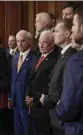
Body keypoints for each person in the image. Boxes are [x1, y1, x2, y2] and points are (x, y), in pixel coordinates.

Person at [39, 19, 77, 135]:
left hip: (61, 117)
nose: (53, 34)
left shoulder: (71, 55)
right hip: (55, 116)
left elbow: (64, 87)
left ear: (67, 34)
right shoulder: (63, 54)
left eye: (56, 31)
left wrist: (45, 99)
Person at [26, 30, 60, 135]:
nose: (40, 45)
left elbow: (49, 84)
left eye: (44, 42)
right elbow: (31, 79)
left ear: (52, 43)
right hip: (34, 106)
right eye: (40, 42)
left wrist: (35, 99)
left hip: (44, 107)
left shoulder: (55, 59)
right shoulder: (40, 56)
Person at [56, 4, 83, 135]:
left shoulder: (77, 60)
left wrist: (58, 108)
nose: (72, 29)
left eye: (73, 24)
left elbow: (67, 107)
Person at [8, 30, 37, 135]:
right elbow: (12, 79)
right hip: (15, 102)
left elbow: (34, 82)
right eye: (18, 41)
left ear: (29, 42)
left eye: (22, 41)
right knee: (17, 130)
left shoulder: (35, 59)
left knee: (27, 130)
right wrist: (10, 97)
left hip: (26, 102)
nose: (19, 44)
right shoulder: (15, 58)